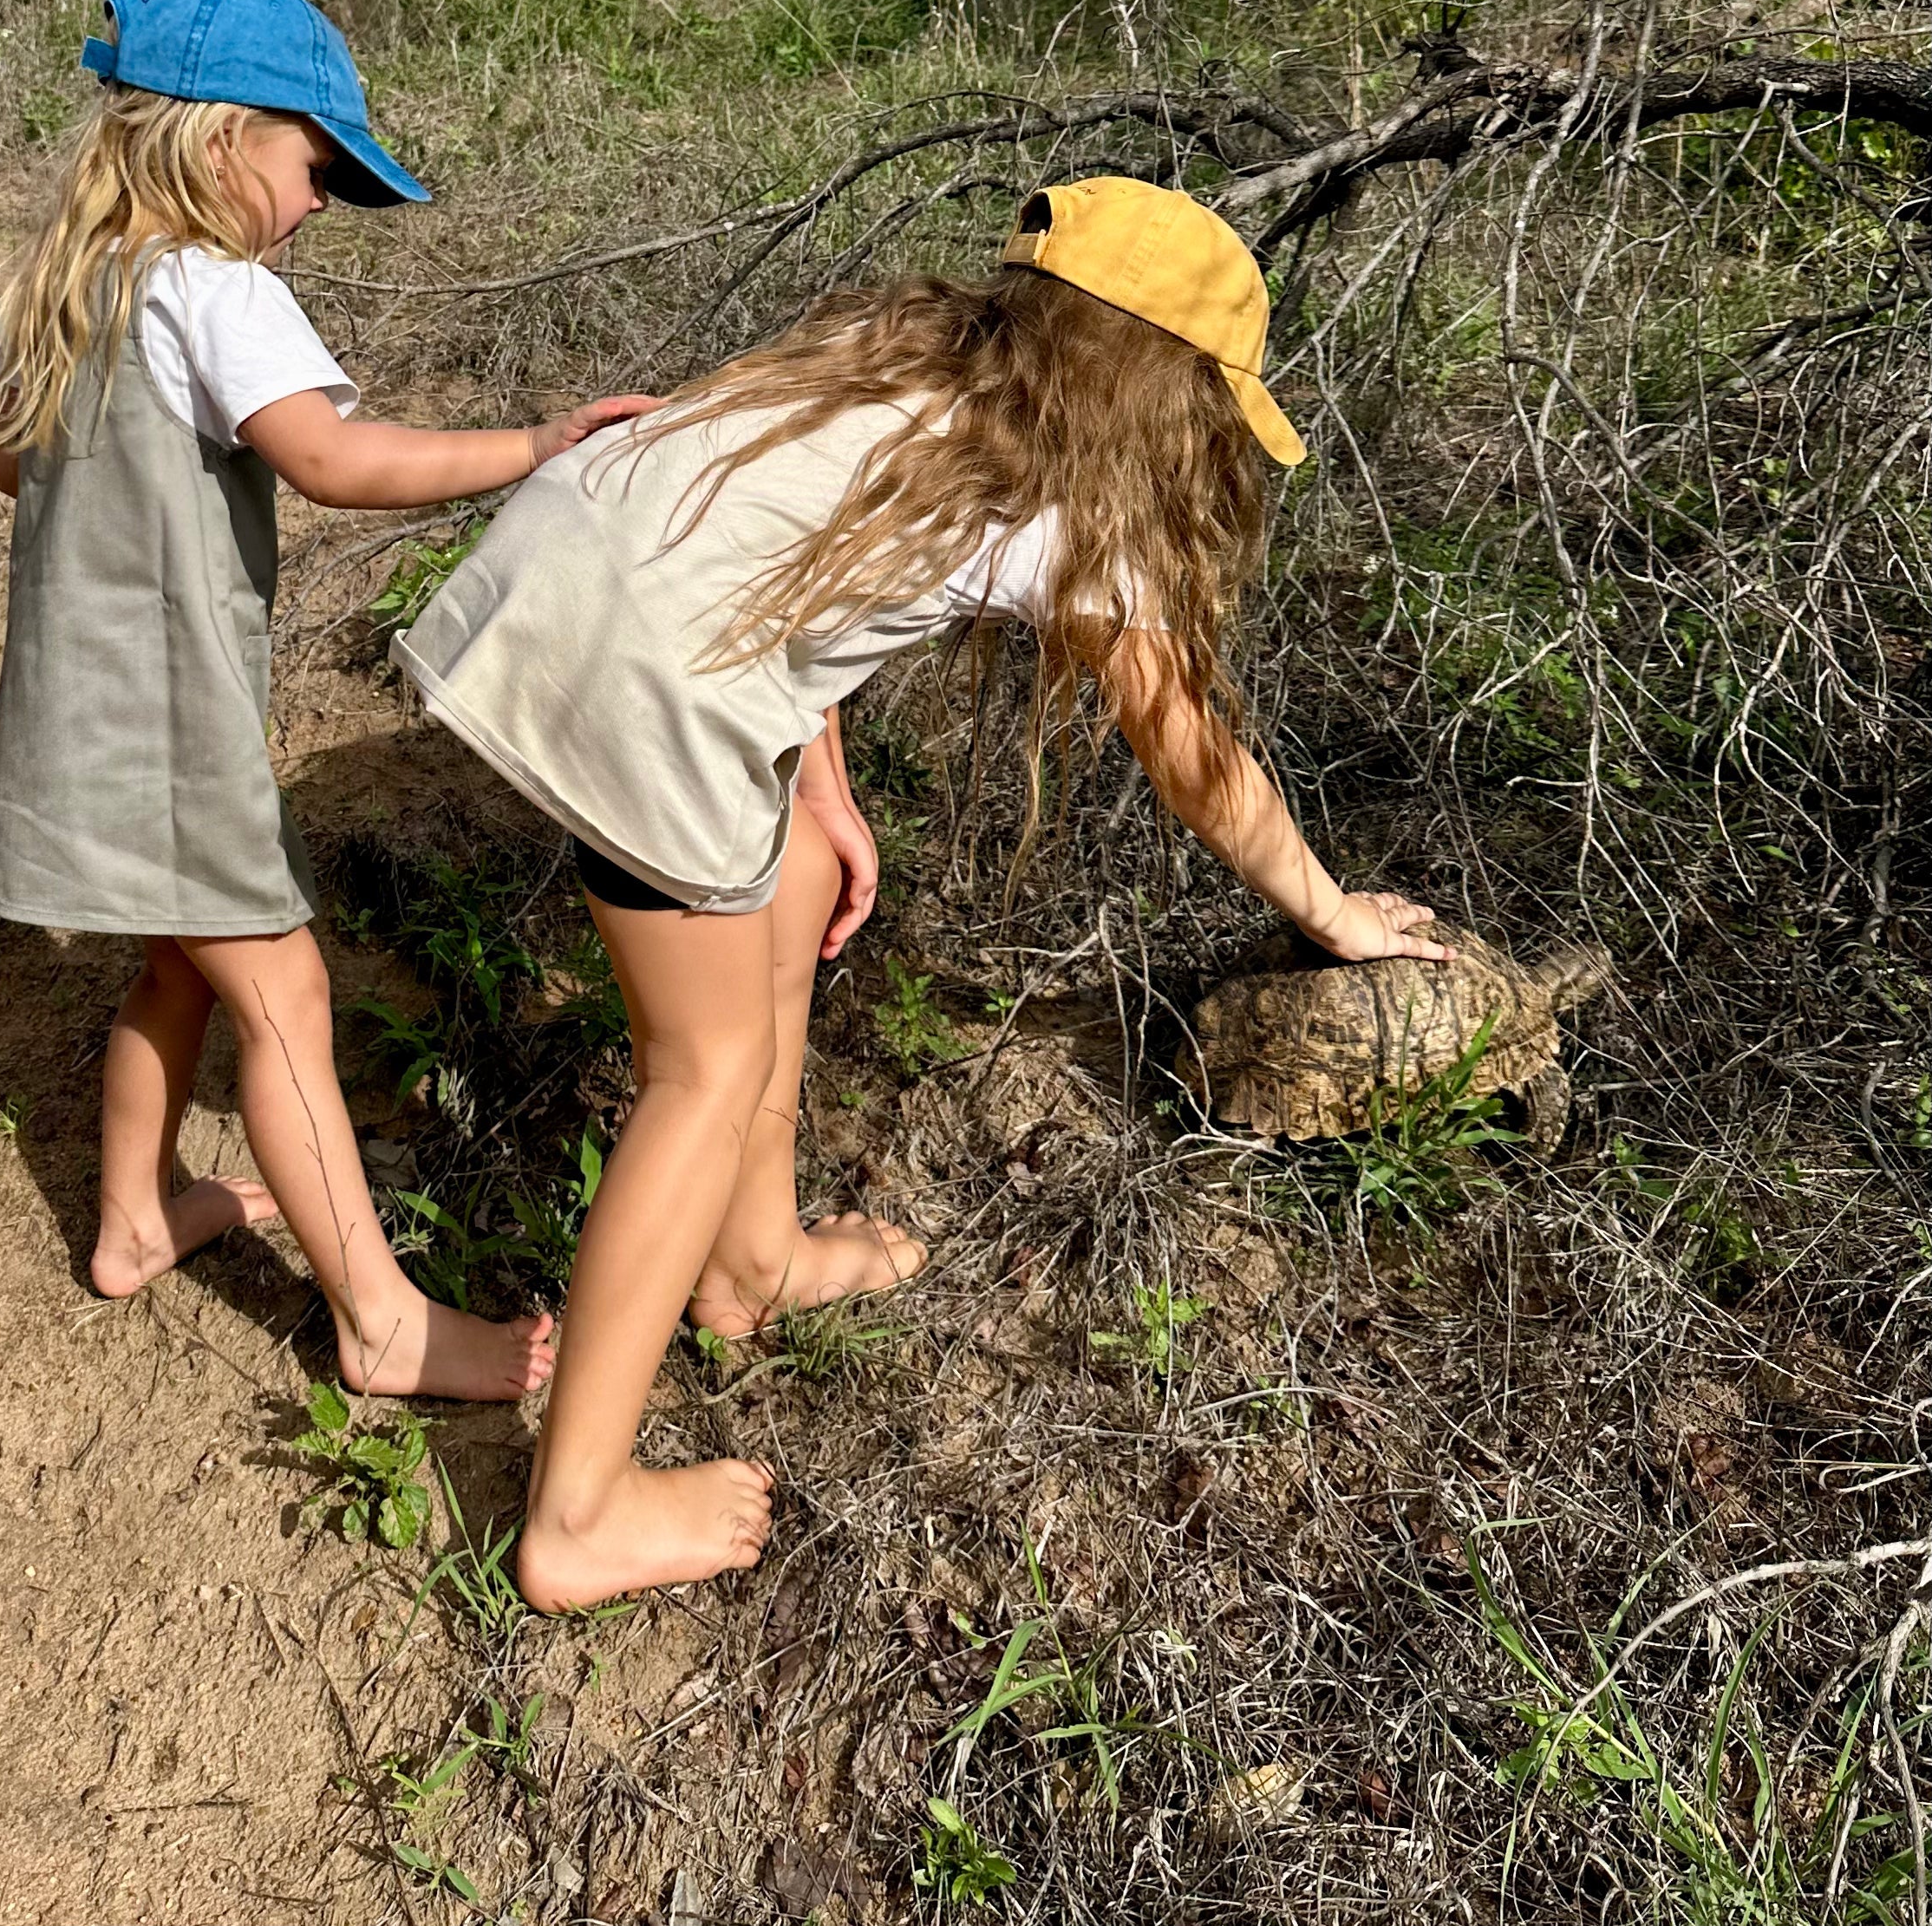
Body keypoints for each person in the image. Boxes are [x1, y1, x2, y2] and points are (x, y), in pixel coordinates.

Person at [395, 173, 1453, 1609]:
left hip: (555, 584)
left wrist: (816, 787)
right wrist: (1330, 913)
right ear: (1157, 384)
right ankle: (575, 1511)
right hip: (646, 676)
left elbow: (771, 559)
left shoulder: (901, 350)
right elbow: (1196, 761)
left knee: (798, 875)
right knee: (697, 1075)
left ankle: (751, 1265)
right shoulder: (1079, 503)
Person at [0, 0, 649, 1404]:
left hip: (79, 704)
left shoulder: (66, 277)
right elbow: (335, 460)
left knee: (170, 963)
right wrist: (536, 442)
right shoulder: (213, 286)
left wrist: (89, 503)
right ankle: (380, 1323)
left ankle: (139, 1221)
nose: (318, 198)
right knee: (285, 1000)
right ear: (221, 146)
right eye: (314, 162)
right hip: (169, 720)